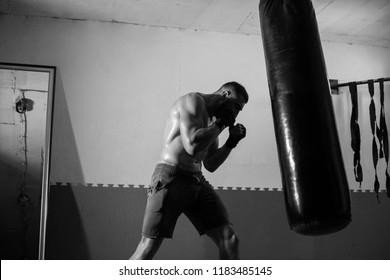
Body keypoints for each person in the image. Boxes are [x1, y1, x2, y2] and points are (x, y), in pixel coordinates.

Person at [130, 81, 248, 260]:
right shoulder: (193, 101)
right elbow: (192, 145)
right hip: (171, 177)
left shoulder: (212, 120)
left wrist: (231, 142)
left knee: (229, 239)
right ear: (225, 94)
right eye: (236, 106)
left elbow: (210, 164)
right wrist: (222, 124)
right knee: (148, 247)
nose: (236, 113)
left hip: (196, 181)